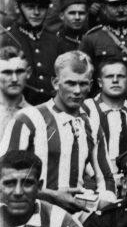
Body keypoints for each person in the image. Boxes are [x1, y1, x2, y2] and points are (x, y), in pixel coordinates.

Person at [1, 51, 116, 212]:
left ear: (90, 85)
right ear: (56, 83)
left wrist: (103, 203)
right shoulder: (28, 119)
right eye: (70, 83)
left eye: (83, 84)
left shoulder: (92, 124)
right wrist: (51, 196)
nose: (77, 91)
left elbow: (106, 179)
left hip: (75, 216)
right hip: (31, 213)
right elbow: (4, 176)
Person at [82, 59, 127, 170]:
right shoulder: (85, 109)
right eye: (109, 76)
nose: (115, 80)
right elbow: (78, 153)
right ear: (100, 82)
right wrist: (101, 176)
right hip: (92, 177)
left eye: (120, 76)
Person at [0, 0, 59, 105]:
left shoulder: (56, 40)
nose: (36, 12)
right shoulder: (6, 39)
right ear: (18, 8)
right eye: (30, 7)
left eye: (41, 7)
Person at [0, 46, 30, 133]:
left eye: (19, 72)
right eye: (7, 72)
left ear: (28, 73)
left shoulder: (36, 115)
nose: (14, 79)